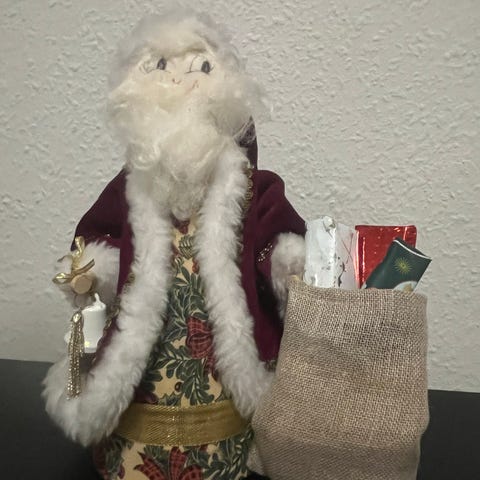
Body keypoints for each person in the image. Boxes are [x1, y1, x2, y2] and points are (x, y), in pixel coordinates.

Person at [43, 10, 305, 479]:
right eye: (163, 66)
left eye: (201, 67)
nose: (182, 81)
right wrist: (94, 270)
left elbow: (276, 241)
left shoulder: (250, 189)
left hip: (224, 379)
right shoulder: (130, 190)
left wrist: (289, 267)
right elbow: (99, 240)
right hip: (144, 369)